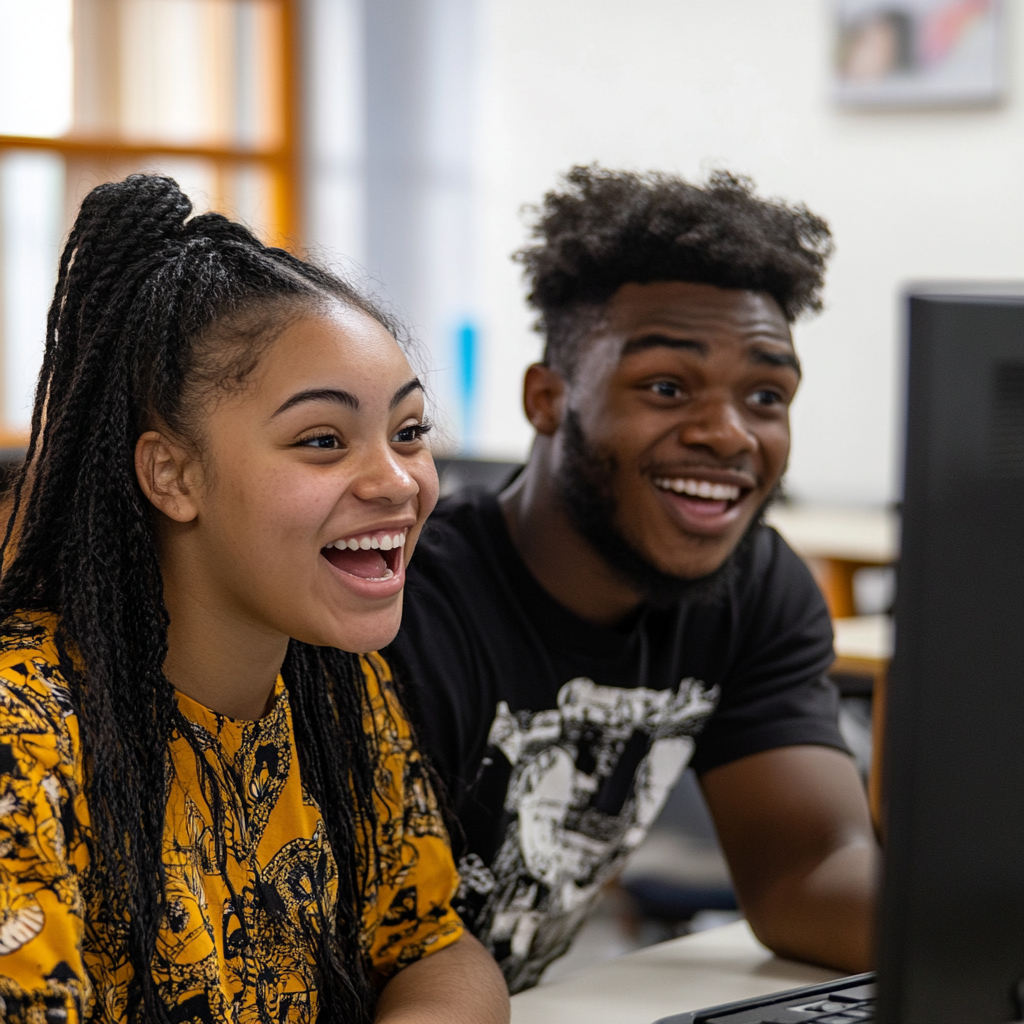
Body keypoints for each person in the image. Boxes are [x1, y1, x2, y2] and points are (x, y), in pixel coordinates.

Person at [0, 175, 509, 1024]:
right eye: (322, 440)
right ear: (173, 474)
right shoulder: (26, 729)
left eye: (410, 431)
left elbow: (432, 945)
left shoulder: (338, 686)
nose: (398, 481)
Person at [389, 166, 879, 992]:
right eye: (665, 386)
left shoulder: (753, 589)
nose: (728, 434)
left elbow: (808, 871)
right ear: (548, 398)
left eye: (766, 395)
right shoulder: (410, 608)